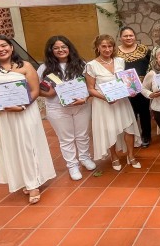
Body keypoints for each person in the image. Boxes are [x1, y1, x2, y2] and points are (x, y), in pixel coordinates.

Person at [0, 35, 55, 204]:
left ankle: (33, 184)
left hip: (24, 112)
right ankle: (21, 180)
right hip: (1, 115)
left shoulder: (25, 66)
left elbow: (34, 91)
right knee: (9, 147)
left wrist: (23, 106)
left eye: (4, 45)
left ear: (11, 47)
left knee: (27, 145)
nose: (0, 49)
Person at [37, 35, 96, 181]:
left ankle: (84, 157)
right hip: (57, 108)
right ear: (51, 50)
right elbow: (37, 89)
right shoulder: (44, 68)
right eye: (56, 48)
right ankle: (72, 165)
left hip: (81, 105)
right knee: (66, 138)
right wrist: (51, 92)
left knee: (83, 134)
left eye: (63, 47)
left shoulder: (81, 63)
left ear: (69, 48)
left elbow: (89, 85)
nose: (60, 50)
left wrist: (85, 98)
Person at [85, 34, 142, 171]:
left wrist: (132, 89)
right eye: (103, 46)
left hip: (122, 101)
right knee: (109, 128)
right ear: (98, 47)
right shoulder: (91, 65)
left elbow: (126, 81)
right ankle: (114, 156)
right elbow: (90, 89)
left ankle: (131, 155)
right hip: (104, 104)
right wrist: (106, 98)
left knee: (129, 128)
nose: (107, 49)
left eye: (110, 46)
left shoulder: (120, 61)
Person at [117, 26, 152, 147]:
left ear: (135, 36)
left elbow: (150, 66)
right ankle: (132, 137)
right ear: (120, 38)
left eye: (131, 35)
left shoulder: (144, 49)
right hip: (125, 89)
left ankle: (146, 136)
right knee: (129, 113)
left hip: (143, 87)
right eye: (125, 36)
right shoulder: (115, 52)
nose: (128, 38)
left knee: (144, 113)